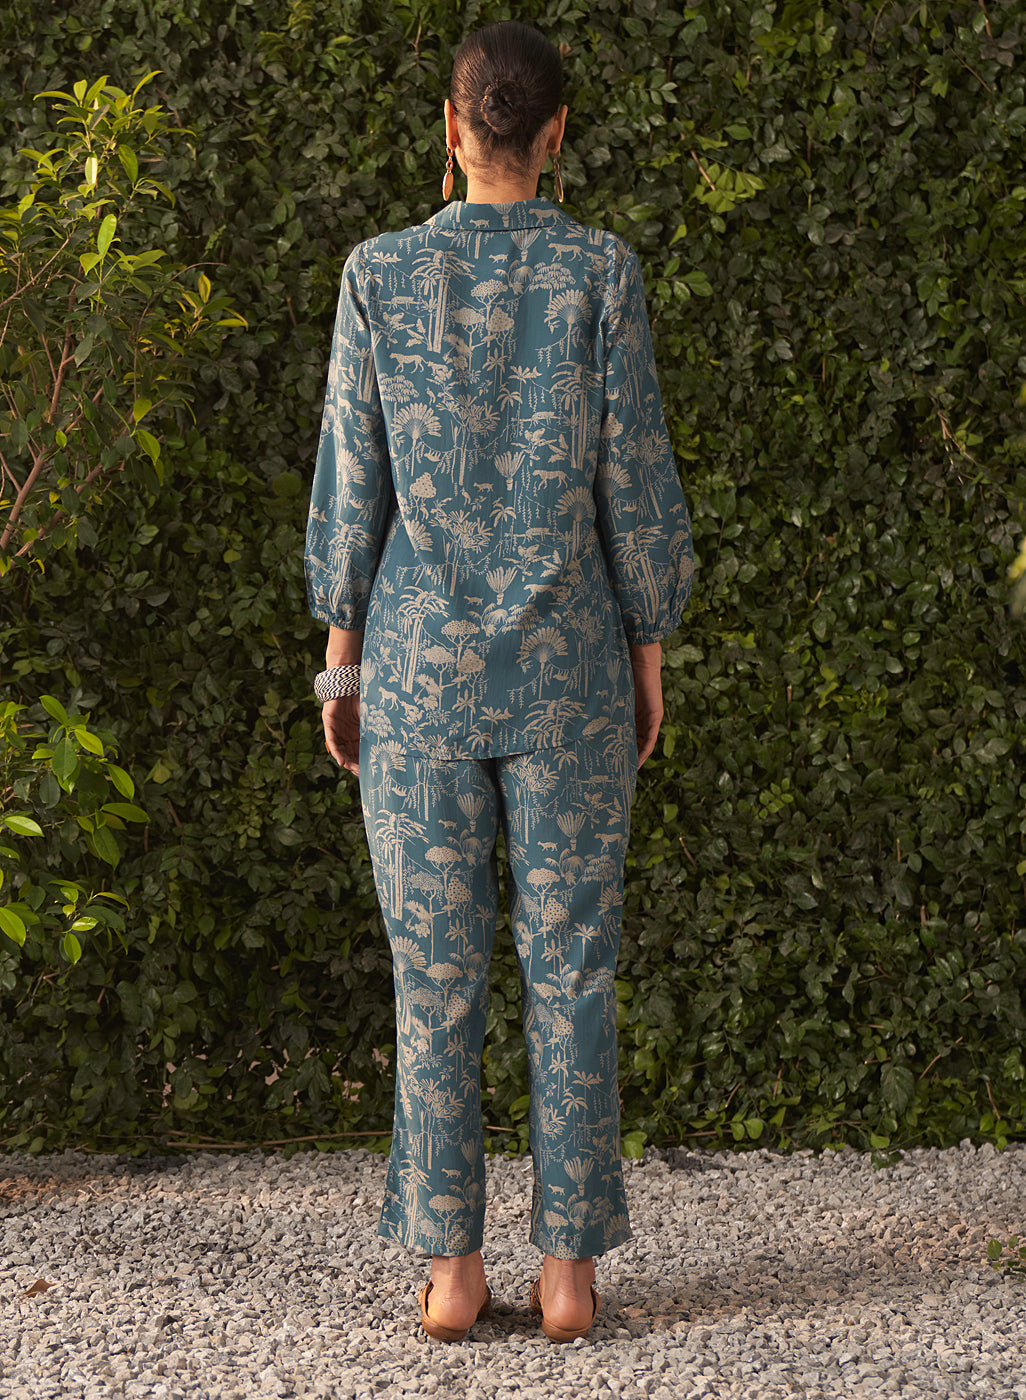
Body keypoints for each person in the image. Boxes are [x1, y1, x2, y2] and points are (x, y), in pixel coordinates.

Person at [304, 20, 693, 1344]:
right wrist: (646, 654)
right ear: (557, 133)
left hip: (417, 671)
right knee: (573, 964)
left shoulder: (378, 274)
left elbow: (351, 480)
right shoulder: (600, 272)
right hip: (571, 669)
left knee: (434, 973)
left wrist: (340, 667)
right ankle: (569, 1275)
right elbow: (634, 476)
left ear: (453, 129)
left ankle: (454, 1271)